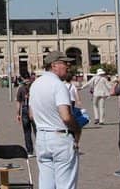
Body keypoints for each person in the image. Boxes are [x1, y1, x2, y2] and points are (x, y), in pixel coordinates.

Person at [29, 51, 80, 189]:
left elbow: (31, 115)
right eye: (65, 63)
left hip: (41, 137)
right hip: (60, 137)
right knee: (65, 184)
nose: (68, 67)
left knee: (46, 184)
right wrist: (77, 129)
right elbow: (66, 116)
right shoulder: (58, 85)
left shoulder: (35, 84)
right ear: (54, 65)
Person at [16, 75, 37, 156]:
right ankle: (40, 149)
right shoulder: (35, 87)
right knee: (37, 131)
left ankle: (30, 151)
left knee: (27, 132)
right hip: (34, 110)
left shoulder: (20, 88)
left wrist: (18, 114)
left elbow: (18, 102)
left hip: (25, 110)